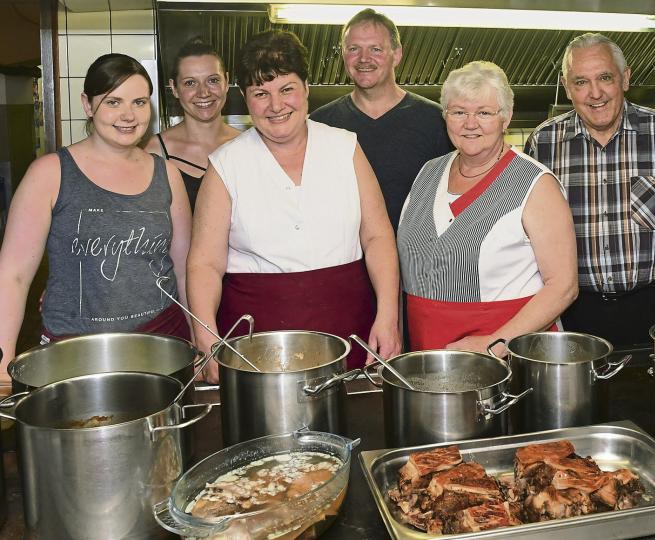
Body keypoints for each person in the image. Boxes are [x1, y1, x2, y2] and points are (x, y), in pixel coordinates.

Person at [187, 30, 401, 381]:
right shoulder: (226, 165)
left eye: (286, 89)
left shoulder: (345, 148)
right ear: (245, 98)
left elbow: (378, 237)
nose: (276, 105)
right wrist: (206, 337)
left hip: (351, 329)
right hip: (256, 340)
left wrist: (388, 317)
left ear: (306, 88)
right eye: (261, 93)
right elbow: (204, 263)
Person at [0, 53, 192, 377]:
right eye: (113, 102)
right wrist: (2, 364)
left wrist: (199, 339)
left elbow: (184, 270)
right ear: (87, 105)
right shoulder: (50, 173)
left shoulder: (167, 175)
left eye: (139, 102)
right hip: (74, 351)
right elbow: (13, 275)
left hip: (162, 341)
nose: (128, 115)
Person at [524, 33, 655, 348]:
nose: (595, 93)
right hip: (572, 313)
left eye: (605, 78)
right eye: (581, 82)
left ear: (625, 78)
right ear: (567, 87)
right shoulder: (543, 144)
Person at [397, 61, 578, 353]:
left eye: (483, 113)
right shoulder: (427, 173)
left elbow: (563, 286)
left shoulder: (535, 184)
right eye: (459, 112)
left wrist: (496, 345)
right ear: (445, 116)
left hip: (508, 358)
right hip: (428, 352)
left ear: (506, 118)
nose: (470, 124)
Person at [309, 8, 452, 230]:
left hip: (417, 250)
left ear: (397, 54)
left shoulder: (436, 121)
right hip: (345, 250)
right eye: (354, 49)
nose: (364, 58)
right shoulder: (320, 123)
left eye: (375, 49)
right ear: (343, 55)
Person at [144, 38, 240, 210]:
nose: (203, 92)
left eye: (213, 80)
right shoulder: (154, 152)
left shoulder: (247, 146)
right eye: (190, 83)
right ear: (174, 88)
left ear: (226, 81)